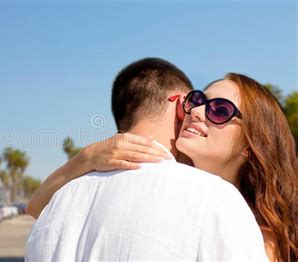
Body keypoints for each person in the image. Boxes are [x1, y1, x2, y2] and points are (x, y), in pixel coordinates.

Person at [27, 66, 298, 261]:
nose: (197, 111)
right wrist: (85, 158)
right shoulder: (180, 188)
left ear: (251, 147)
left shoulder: (261, 236)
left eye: (220, 110)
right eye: (197, 101)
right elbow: (36, 206)